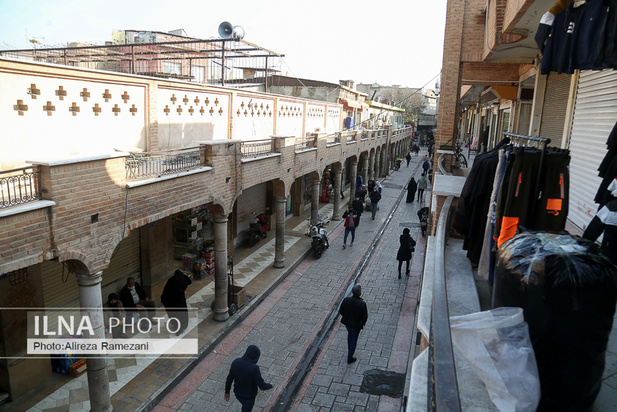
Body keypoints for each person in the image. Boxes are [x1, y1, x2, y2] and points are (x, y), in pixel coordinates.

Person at [224, 344, 273, 412]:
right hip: (249, 397)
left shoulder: (236, 362)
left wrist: (227, 392)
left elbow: (229, 379)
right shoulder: (254, 368)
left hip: (237, 393)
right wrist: (270, 385)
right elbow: (262, 386)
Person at [339, 284, 368, 364]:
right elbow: (364, 316)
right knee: (354, 340)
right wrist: (362, 323)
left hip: (348, 324)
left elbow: (341, 311)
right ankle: (350, 357)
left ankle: (349, 349)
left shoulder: (346, 300)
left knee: (350, 335)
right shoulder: (362, 304)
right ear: (359, 293)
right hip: (356, 325)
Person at [161, 270, 192, 335]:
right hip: (178, 302)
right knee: (181, 316)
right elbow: (189, 281)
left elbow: (165, 293)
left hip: (170, 302)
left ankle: (176, 325)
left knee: (174, 315)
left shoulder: (171, 280)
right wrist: (185, 276)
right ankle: (180, 328)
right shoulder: (182, 280)